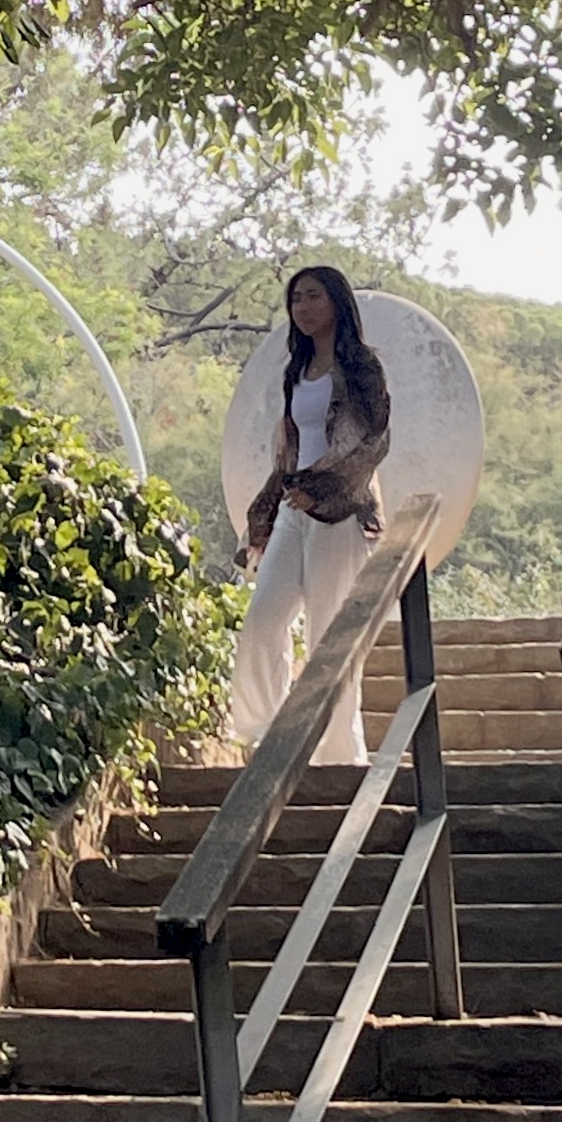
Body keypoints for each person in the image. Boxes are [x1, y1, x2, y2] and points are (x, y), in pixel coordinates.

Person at [228, 264, 393, 766]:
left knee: (328, 636)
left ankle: (340, 756)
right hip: (291, 509)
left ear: (337, 303)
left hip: (339, 516)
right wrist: (267, 513)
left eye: (313, 296)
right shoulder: (294, 372)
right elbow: (289, 451)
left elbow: (373, 441)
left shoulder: (363, 367)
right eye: (296, 298)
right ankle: (266, 734)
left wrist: (322, 488)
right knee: (262, 621)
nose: (302, 307)